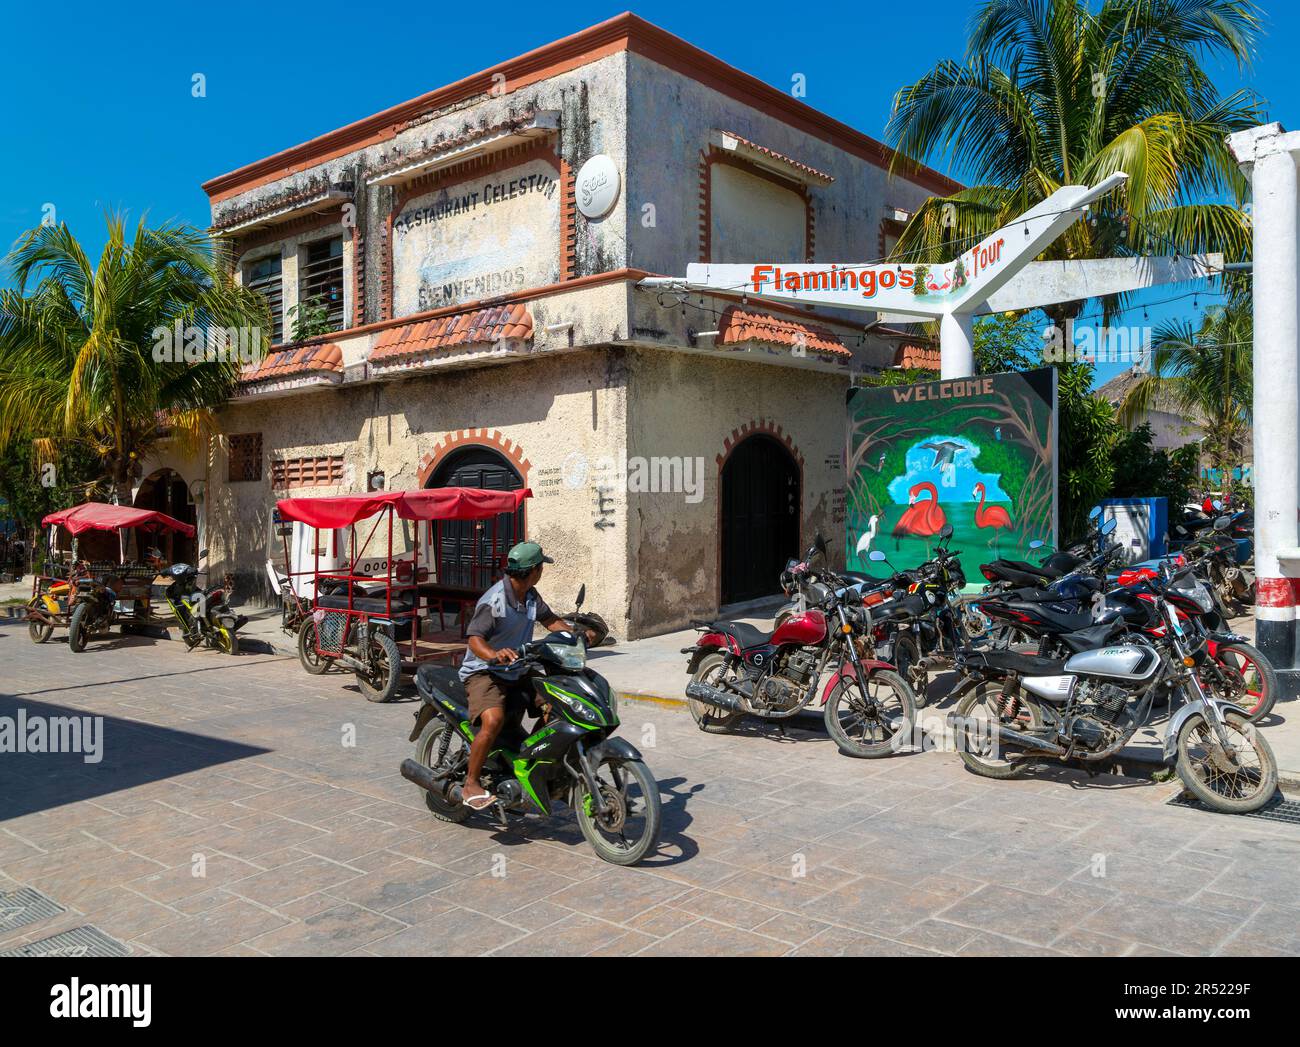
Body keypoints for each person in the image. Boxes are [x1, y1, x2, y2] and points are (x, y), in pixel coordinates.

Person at [458, 541, 591, 810]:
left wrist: (574, 636)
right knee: (493, 720)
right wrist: (494, 654)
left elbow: (550, 620)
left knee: (560, 704)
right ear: (533, 570)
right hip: (485, 672)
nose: (542, 572)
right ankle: (471, 782)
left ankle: (530, 760)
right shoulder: (494, 601)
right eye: (541, 567)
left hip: (518, 667)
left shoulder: (530, 596)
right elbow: (474, 639)